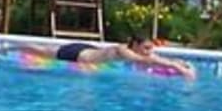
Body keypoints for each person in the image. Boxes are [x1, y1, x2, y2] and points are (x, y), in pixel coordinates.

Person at [24, 37, 195, 80]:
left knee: (44, 50)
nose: (149, 51)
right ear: (135, 45)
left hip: (89, 50)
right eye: (146, 48)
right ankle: (14, 46)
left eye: (151, 48)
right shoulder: (123, 50)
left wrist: (180, 63)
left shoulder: (136, 52)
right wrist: (178, 67)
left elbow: (156, 58)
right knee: (40, 51)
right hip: (78, 55)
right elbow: (145, 61)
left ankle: (17, 46)